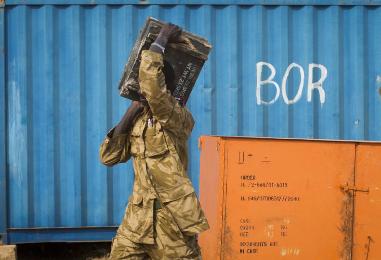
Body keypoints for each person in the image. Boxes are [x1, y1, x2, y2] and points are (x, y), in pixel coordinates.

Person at [99, 23, 209, 260]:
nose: (144, 90)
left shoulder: (177, 117)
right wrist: (131, 111)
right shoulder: (137, 123)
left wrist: (161, 39)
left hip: (172, 222)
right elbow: (109, 156)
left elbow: (154, 89)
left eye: (148, 87)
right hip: (138, 222)